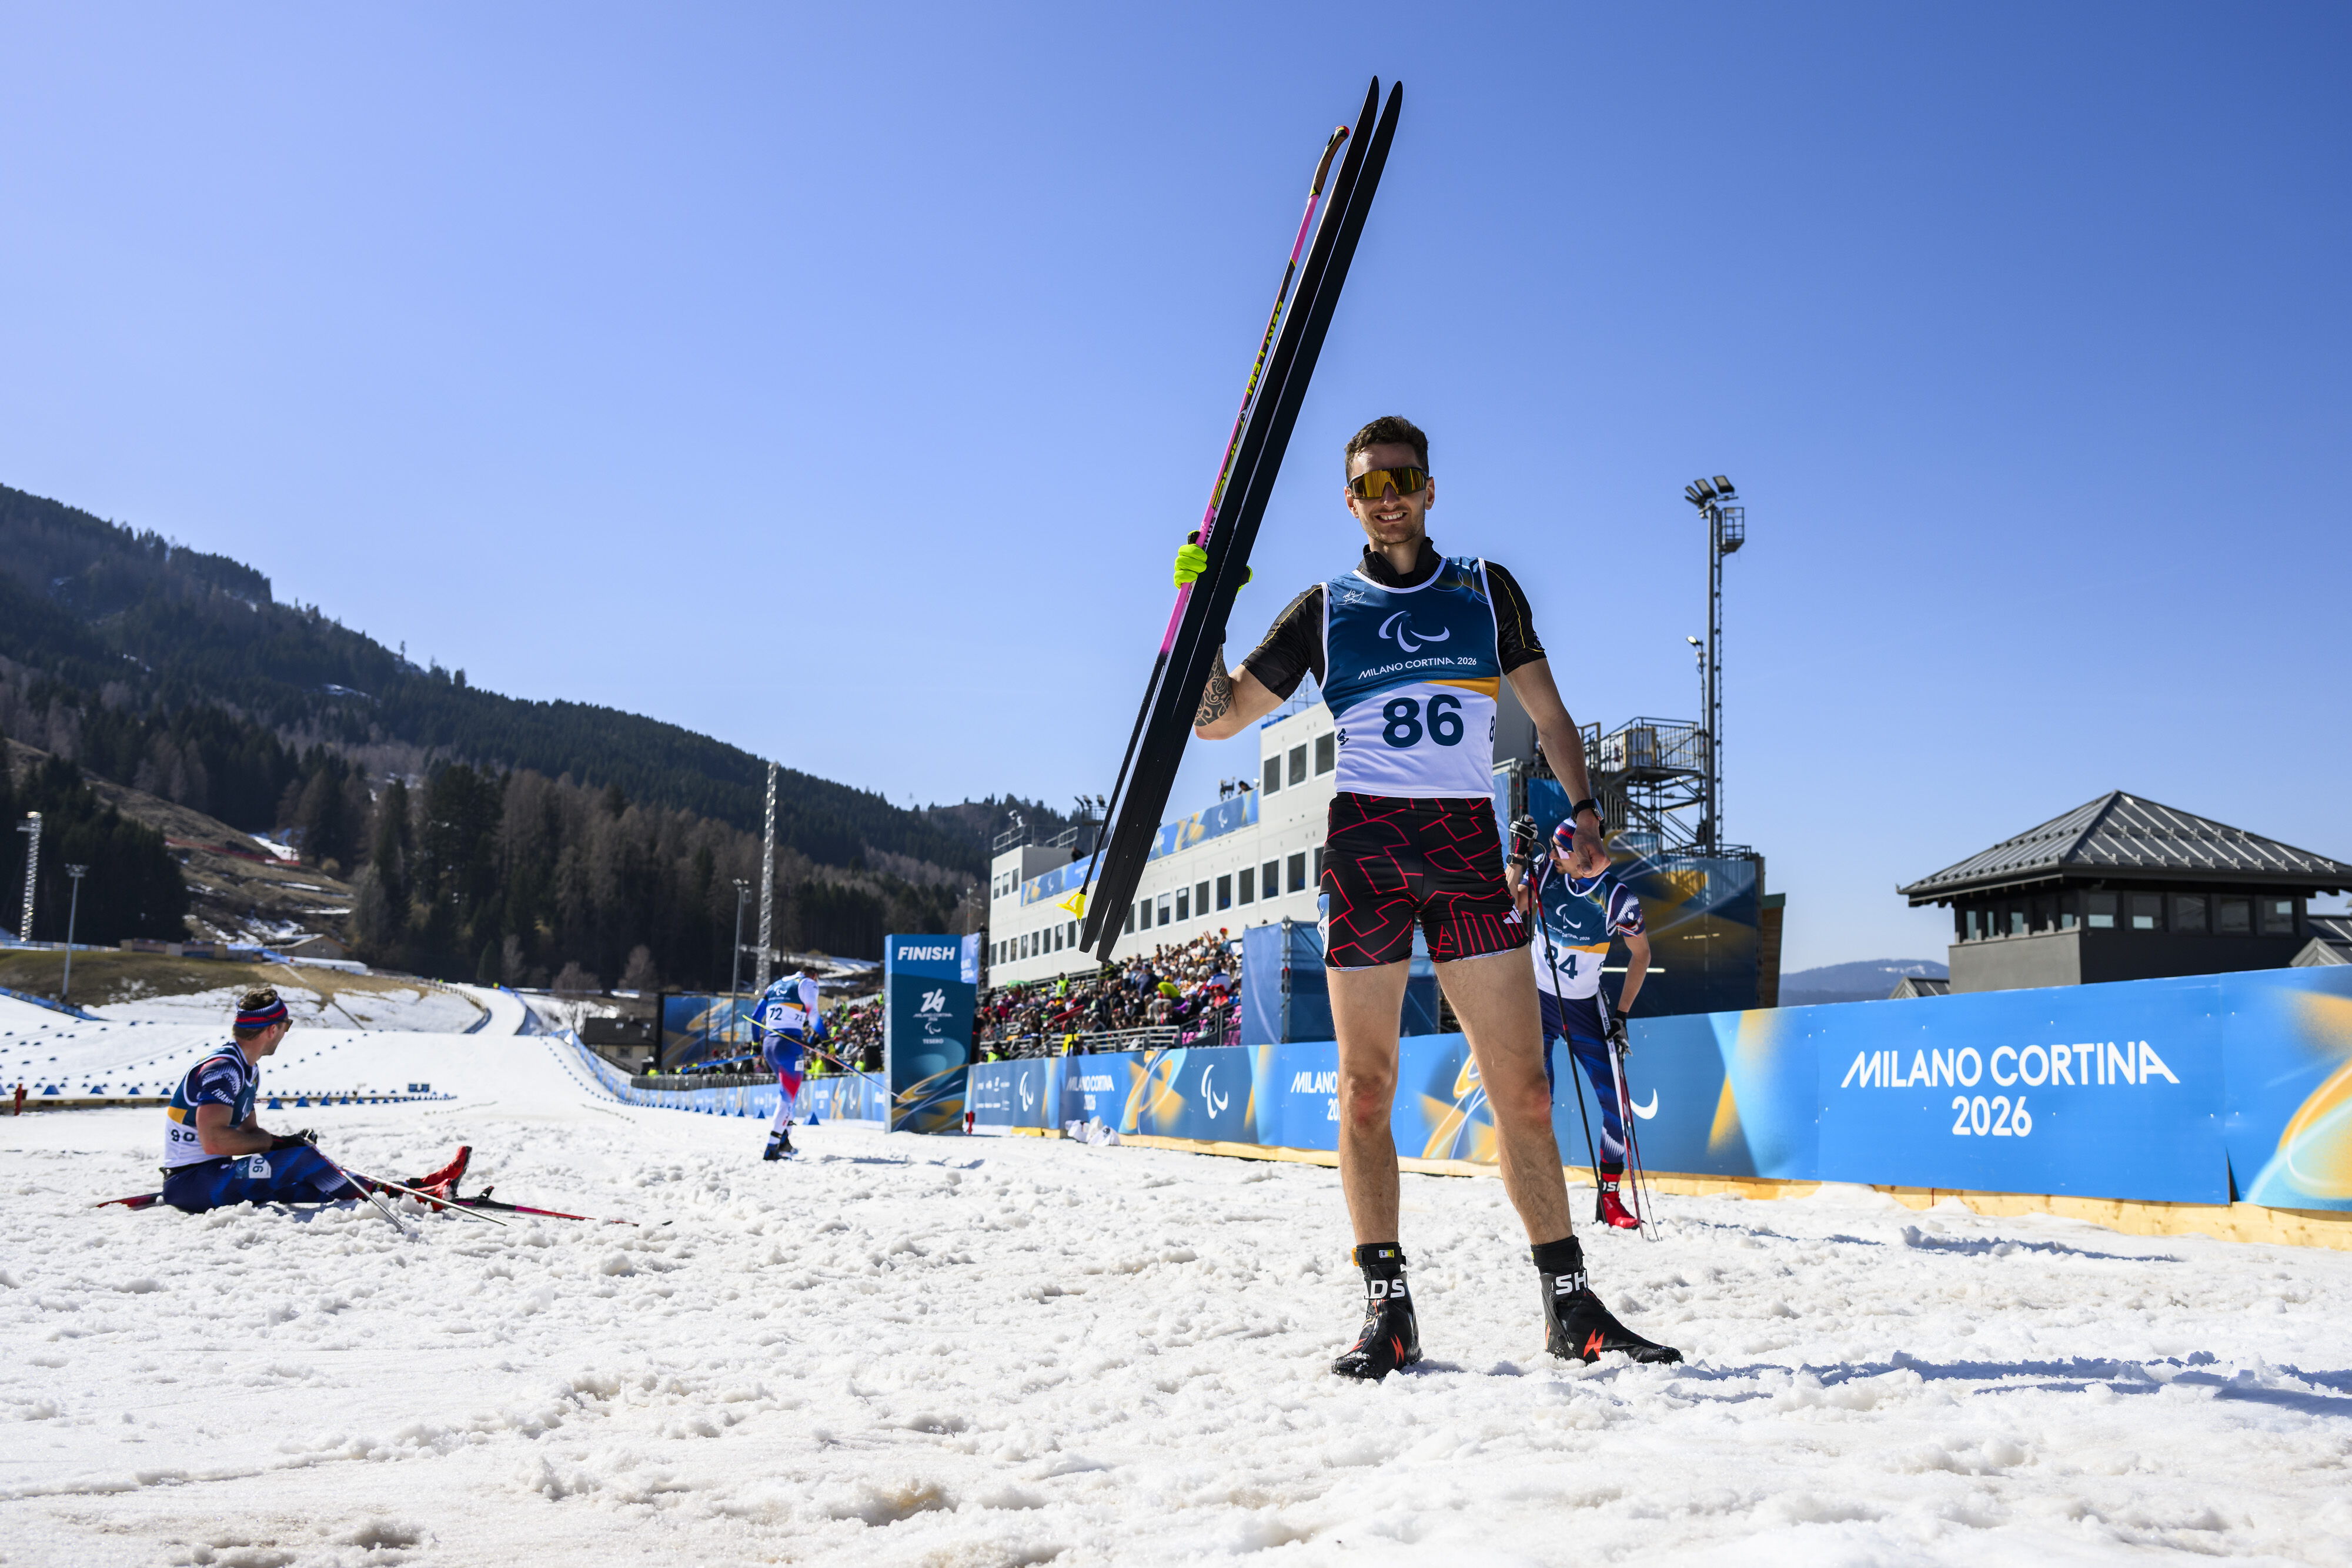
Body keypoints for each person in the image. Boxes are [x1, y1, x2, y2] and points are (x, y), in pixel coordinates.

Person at [1188, 414, 1680, 1376]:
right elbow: (1220, 718)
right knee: (1365, 1089)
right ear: (1351, 501)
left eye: (1403, 477)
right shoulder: (1323, 607)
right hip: (1367, 844)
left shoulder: (1487, 590)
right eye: (1371, 484)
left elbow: (1549, 713)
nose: (1390, 495)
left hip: (1461, 840)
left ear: (1429, 486)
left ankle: (1570, 1305)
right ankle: (1388, 1307)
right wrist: (1205, 612)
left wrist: (1582, 807)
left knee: (1526, 1091)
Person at [1509, 816, 1652, 1230]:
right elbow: (1508, 904)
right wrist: (1517, 859)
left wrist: (1622, 1014)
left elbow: (1642, 955)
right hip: (1536, 1001)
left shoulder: (1616, 897)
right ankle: (1539, 1198)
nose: (1552, 855)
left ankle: (1610, 1199)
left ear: (1581, 855)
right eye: (1551, 849)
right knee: (1538, 1103)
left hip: (1585, 1009)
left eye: (1559, 850)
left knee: (1618, 1108)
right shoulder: (1545, 870)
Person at [159, 988, 363, 1213]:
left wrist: (285, 1143)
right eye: (288, 1025)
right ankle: (383, 1192)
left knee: (304, 1183)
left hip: (212, 1173)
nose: (286, 1033)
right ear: (273, 1029)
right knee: (303, 1159)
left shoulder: (248, 1070)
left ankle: (376, 1191)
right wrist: (282, 1148)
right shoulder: (224, 1070)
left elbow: (249, 1134)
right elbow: (214, 1142)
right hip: (192, 1182)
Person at [753, 971, 823, 1161]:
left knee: (788, 1094)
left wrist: (755, 1044)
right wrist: (827, 1041)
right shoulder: (807, 984)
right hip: (789, 1045)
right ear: (814, 975)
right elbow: (814, 1016)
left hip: (770, 1044)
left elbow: (756, 1017)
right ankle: (772, 1146)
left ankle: (784, 1140)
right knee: (788, 1097)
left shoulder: (775, 985)